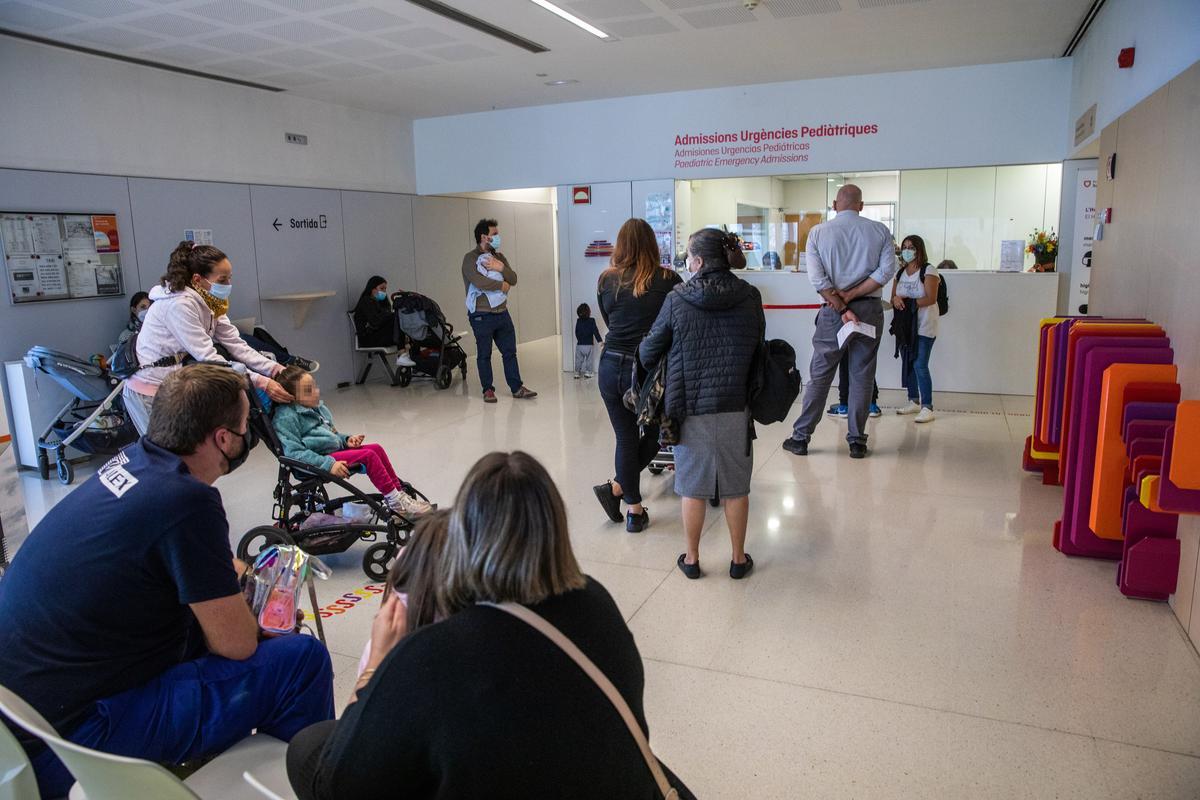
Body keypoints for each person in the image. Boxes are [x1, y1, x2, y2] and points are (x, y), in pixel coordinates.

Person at [0, 364, 335, 798]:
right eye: (244, 423)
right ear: (223, 439)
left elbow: (173, 557)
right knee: (299, 660)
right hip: (74, 745)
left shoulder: (134, 462)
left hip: (21, 726)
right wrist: (262, 612)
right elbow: (237, 644)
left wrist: (233, 576)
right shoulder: (188, 500)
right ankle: (306, 783)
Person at [286, 451, 691, 799]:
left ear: (467, 536)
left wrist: (376, 664)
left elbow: (344, 781)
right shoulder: (595, 600)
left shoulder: (431, 653)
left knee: (308, 747)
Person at [639, 228, 765, 580]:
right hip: (736, 404)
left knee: (692, 488)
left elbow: (649, 351)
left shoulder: (678, 298)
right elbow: (759, 345)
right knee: (736, 488)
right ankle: (738, 559)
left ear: (697, 261)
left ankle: (692, 559)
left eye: (688, 258)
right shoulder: (750, 295)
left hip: (687, 406)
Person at [122, 242, 292, 435]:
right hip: (148, 391)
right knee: (166, 459)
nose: (228, 285)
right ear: (198, 279)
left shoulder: (211, 304)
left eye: (230, 278)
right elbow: (209, 358)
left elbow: (237, 345)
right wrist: (262, 382)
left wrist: (275, 369)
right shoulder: (179, 305)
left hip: (173, 388)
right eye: (222, 280)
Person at [782, 184, 897, 459]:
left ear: (835, 204)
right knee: (862, 375)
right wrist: (855, 294)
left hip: (832, 312)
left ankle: (801, 438)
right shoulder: (880, 231)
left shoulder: (819, 233)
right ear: (861, 205)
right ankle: (857, 441)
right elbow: (886, 271)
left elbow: (818, 279)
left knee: (820, 376)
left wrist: (841, 303)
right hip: (869, 310)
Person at [593, 218, 682, 531]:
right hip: (646, 372)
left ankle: (629, 502)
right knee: (660, 433)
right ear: (652, 244)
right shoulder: (669, 279)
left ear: (621, 245)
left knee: (625, 437)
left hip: (609, 366)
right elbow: (675, 325)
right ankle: (626, 501)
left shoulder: (606, 280)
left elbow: (608, 321)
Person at [272, 365, 432, 517]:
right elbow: (294, 453)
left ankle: (399, 496)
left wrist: (346, 440)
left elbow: (332, 435)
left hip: (330, 454)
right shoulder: (287, 418)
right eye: (308, 391)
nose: (316, 392)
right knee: (368, 456)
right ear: (291, 398)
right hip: (315, 464)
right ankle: (396, 502)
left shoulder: (315, 409)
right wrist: (328, 464)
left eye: (314, 386)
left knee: (376, 448)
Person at [461, 218, 537, 403]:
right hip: (481, 315)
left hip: (502, 313)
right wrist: (501, 286)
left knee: (509, 352)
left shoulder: (500, 257)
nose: (498, 237)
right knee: (484, 354)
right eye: (494, 234)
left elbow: (513, 278)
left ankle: (517, 387)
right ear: (484, 237)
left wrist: (501, 267)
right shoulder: (470, 258)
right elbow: (479, 281)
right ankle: (488, 390)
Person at [891, 234, 939, 423]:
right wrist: (896, 300)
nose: (907, 250)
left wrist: (910, 304)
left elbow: (930, 298)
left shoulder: (929, 270)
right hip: (905, 327)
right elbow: (894, 297)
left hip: (925, 326)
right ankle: (914, 400)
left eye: (911, 247)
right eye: (904, 247)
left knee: (920, 364)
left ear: (919, 250)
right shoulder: (900, 272)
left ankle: (927, 406)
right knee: (909, 363)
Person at [352, 276, 415, 367]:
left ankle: (408, 351)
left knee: (401, 318)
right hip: (369, 338)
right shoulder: (366, 301)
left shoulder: (382, 303)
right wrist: (391, 315)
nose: (384, 291)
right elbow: (375, 321)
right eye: (381, 288)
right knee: (396, 318)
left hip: (379, 335)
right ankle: (402, 352)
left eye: (385, 289)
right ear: (372, 289)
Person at [574, 303, 601, 379]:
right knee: (589, 360)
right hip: (589, 345)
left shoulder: (578, 321)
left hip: (580, 345)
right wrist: (600, 341)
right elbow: (595, 331)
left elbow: (576, 332)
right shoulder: (592, 320)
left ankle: (577, 373)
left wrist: (579, 339)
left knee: (578, 360)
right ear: (589, 312)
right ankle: (588, 372)